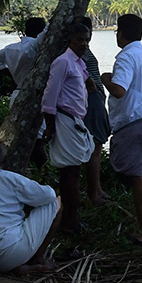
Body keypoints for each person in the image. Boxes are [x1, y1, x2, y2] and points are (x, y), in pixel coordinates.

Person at [102, 13, 142, 245]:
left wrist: (105, 79)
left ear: (121, 33)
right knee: (135, 171)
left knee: (138, 175)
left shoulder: (126, 57)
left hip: (133, 122)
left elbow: (119, 90)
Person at [0, 140, 61, 275]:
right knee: (56, 203)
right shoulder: (10, 179)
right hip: (10, 252)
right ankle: (38, 258)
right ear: (3, 159)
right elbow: (49, 195)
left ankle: (16, 266)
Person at [41, 24, 95, 235]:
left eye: (86, 40)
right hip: (64, 120)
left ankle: (70, 219)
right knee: (70, 173)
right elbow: (49, 96)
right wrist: (50, 125)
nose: (83, 44)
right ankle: (68, 222)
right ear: (69, 41)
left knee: (73, 171)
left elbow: (87, 85)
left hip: (74, 121)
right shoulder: (62, 62)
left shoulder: (78, 63)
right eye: (79, 40)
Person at [72, 15, 110, 207]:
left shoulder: (82, 52)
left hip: (95, 99)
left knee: (95, 146)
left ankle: (96, 189)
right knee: (94, 147)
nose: (85, 41)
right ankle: (93, 192)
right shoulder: (78, 55)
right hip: (92, 100)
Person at [0, 16, 45, 96]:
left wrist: (10, 73)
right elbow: (44, 33)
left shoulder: (10, 48)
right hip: (33, 94)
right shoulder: (34, 45)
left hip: (17, 91)